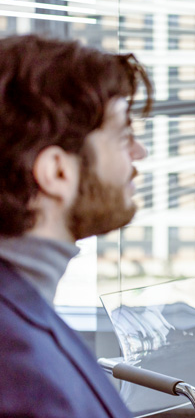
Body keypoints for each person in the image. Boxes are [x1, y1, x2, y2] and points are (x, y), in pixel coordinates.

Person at [0, 34, 151, 417]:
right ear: (56, 171)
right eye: (122, 135)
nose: (139, 153)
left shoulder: (25, 306)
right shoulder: (19, 368)